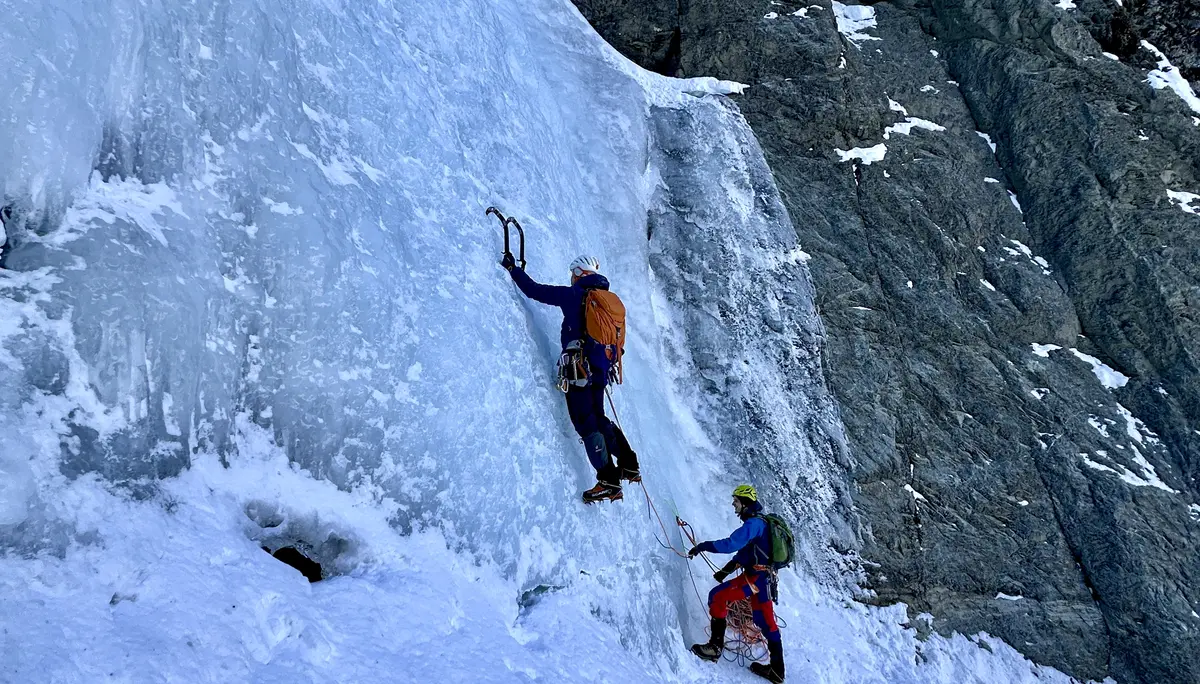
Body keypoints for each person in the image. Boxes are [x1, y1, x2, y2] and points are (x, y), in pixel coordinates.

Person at [501, 252, 640, 503]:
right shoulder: (610, 301)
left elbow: (535, 290)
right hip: (600, 370)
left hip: (579, 370)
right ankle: (629, 463)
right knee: (599, 417)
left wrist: (513, 269)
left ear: (578, 274)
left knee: (586, 423)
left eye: (573, 275)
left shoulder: (575, 295)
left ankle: (608, 480)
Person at [687, 484, 785, 682]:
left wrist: (703, 546)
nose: (733, 504)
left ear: (745, 503)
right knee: (764, 622)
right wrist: (724, 572)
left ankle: (714, 648)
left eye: (736, 501)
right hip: (764, 580)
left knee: (717, 597)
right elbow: (746, 553)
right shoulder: (760, 523)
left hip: (755, 579)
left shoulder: (753, 525)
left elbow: (731, 544)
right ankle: (777, 671)